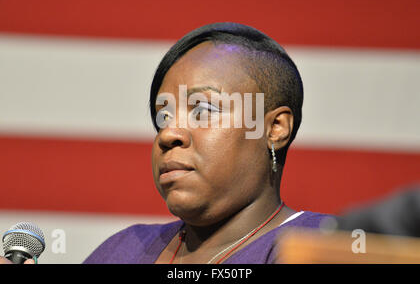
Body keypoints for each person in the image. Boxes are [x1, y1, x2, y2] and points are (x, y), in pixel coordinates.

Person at [0, 22, 331, 264]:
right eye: (163, 116)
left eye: (203, 109)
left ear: (274, 127)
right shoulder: (123, 249)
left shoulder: (318, 246)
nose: (168, 134)